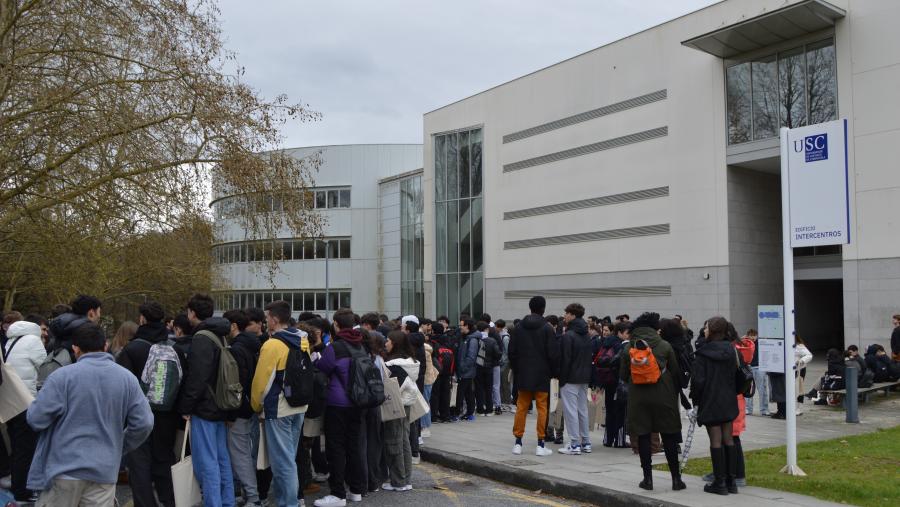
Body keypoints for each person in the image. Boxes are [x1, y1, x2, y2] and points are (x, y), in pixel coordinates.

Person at [27, 322, 153, 506]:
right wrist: (120, 445)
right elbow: (144, 423)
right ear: (106, 346)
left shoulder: (62, 377)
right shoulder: (127, 379)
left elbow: (35, 419)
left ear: (75, 348)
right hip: (104, 470)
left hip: (64, 469)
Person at [116, 301, 180, 507]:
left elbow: (122, 384)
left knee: (139, 463)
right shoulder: (172, 347)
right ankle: (169, 500)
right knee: (164, 459)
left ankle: (145, 503)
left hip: (139, 414)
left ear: (142, 319)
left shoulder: (132, 348)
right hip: (166, 413)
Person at [177, 294, 234, 507]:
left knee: (207, 462)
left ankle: (213, 503)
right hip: (221, 403)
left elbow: (197, 377)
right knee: (221, 458)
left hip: (205, 407)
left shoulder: (201, 337)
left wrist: (186, 406)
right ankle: (226, 501)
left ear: (192, 313)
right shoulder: (220, 335)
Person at [250, 300, 309, 507]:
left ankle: (289, 503)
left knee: (282, 464)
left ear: (274, 320)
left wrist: (256, 406)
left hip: (279, 409)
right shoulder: (302, 340)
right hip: (299, 406)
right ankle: (289, 501)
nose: (266, 322)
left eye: (267, 318)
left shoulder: (272, 344)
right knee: (289, 459)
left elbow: (261, 383)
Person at [619, 312, 683, 492]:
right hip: (664, 396)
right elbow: (675, 371)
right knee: (669, 435)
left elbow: (623, 376)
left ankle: (647, 479)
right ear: (656, 329)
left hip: (639, 398)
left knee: (644, 436)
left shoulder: (628, 348)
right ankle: (676, 479)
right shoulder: (664, 345)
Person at [313, 309, 368, 507]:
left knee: (336, 448)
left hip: (338, 403)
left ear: (336, 324)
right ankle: (356, 490)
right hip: (358, 403)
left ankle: (337, 494)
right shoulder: (360, 345)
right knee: (354, 446)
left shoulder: (335, 347)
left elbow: (322, 369)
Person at [691, 317, 739, 495]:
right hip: (728, 399)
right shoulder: (731, 350)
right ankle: (731, 481)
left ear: (711, 331)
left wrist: (695, 400)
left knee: (716, 440)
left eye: (706, 328)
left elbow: (698, 382)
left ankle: (719, 482)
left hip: (710, 400)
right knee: (729, 438)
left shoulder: (703, 354)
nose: (704, 331)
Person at [3, 319, 47, 502]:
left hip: (10, 400)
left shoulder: (10, 341)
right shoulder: (33, 341)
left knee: (15, 446)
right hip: (27, 400)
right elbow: (45, 367)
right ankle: (23, 490)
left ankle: (16, 485)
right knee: (26, 448)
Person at [509, 296, 558, 457]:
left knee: (521, 407)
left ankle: (518, 443)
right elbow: (552, 354)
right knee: (542, 408)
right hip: (542, 374)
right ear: (543, 308)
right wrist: (552, 372)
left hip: (523, 374)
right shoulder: (547, 328)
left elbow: (512, 353)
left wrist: (517, 369)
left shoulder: (518, 327)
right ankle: (540, 444)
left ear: (530, 307)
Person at [223, 309, 263, 507]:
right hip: (251, 405)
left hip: (239, 408)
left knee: (239, 453)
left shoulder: (236, 349)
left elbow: (236, 384)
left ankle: (252, 497)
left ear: (233, 326)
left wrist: (231, 413)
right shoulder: (254, 345)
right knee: (246, 451)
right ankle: (249, 495)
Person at [382, 331, 420, 493]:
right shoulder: (410, 362)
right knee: (404, 440)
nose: (386, 343)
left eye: (388, 340)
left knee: (394, 441)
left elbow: (393, 386)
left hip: (395, 405)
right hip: (407, 404)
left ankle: (398, 481)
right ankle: (406, 479)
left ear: (395, 343)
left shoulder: (394, 365)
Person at [556, 303, 592, 455]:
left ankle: (574, 444)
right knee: (582, 410)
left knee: (570, 411)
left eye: (566, 313)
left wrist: (561, 379)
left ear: (572, 315)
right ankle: (585, 442)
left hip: (570, 377)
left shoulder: (569, 335)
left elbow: (565, 359)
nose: (564, 316)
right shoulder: (587, 334)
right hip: (584, 376)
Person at [597, 322, 628, 448]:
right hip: (618, 382)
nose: (629, 336)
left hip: (608, 381)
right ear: (619, 333)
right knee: (620, 411)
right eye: (627, 333)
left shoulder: (606, 342)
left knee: (610, 411)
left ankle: (608, 440)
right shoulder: (621, 345)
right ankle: (619, 441)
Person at [455, 318, 480, 422]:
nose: (460, 327)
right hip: (466, 370)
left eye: (461, 325)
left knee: (461, 392)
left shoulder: (472, 339)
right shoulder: (465, 337)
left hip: (466, 371)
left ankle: (457, 414)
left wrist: (462, 368)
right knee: (468, 392)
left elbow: (471, 357)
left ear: (467, 326)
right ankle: (470, 413)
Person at [474, 321, 500, 417]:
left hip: (478, 367)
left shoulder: (475, 339)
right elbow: (498, 354)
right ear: (487, 329)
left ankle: (480, 409)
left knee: (479, 388)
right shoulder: (492, 341)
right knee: (489, 388)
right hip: (489, 367)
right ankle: (489, 409)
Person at [742, 329, 769, 416]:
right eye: (751, 335)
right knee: (748, 389)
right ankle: (748, 409)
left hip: (760, 367)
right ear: (748, 335)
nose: (753, 337)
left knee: (762, 389)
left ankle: (764, 409)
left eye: (754, 335)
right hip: (749, 367)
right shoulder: (745, 342)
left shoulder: (760, 342)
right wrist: (743, 339)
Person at [496, 319, 512, 409]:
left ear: (499, 327)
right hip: (502, 362)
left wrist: (504, 360)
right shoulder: (500, 335)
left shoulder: (505, 337)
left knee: (505, 382)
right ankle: (502, 400)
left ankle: (507, 400)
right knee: (501, 382)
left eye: (496, 326)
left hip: (505, 363)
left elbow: (507, 351)